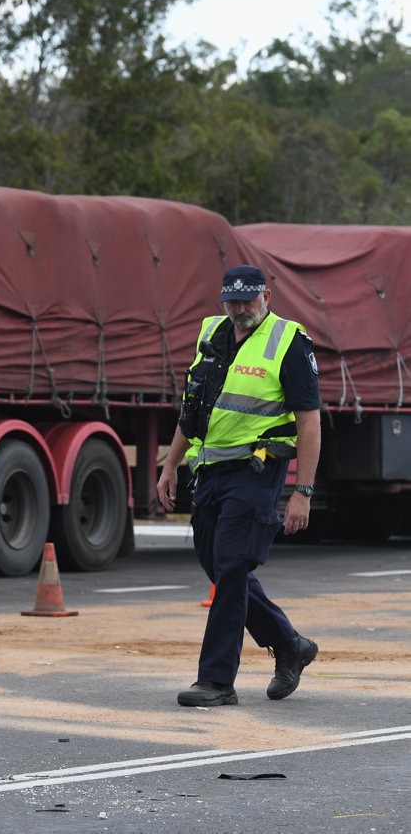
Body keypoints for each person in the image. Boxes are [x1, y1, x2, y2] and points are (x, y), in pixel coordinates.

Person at [157, 264, 322, 707]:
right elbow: (192, 409)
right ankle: (289, 643)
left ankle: (215, 681)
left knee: (230, 565)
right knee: (218, 565)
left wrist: (301, 492)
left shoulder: (288, 340)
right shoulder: (212, 331)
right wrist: (171, 465)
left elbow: (309, 421)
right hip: (209, 469)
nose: (239, 308)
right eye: (232, 300)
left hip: (256, 469)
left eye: (248, 299)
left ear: (266, 296)